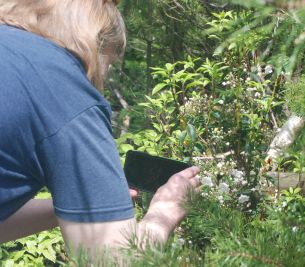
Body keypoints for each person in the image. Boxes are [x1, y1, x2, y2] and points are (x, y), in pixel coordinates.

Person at [0, 0, 200, 260]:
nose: (106, 74)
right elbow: (111, 261)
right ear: (96, 42)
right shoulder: (64, 91)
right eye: (112, 61)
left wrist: (77, 206)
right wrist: (164, 213)